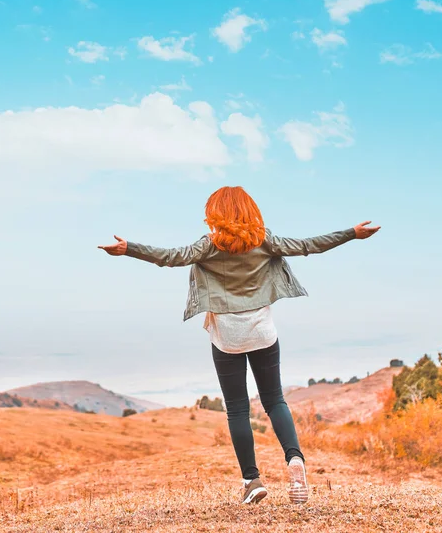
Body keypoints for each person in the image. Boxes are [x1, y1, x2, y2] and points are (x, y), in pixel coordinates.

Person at [98, 186, 380, 505]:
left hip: (227, 336)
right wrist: (351, 233)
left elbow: (169, 257)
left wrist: (129, 248)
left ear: (216, 213)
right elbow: (307, 246)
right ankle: (294, 460)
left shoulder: (209, 245)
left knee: (237, 408)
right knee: (275, 400)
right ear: (249, 210)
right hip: (263, 331)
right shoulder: (264, 240)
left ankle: (252, 480)